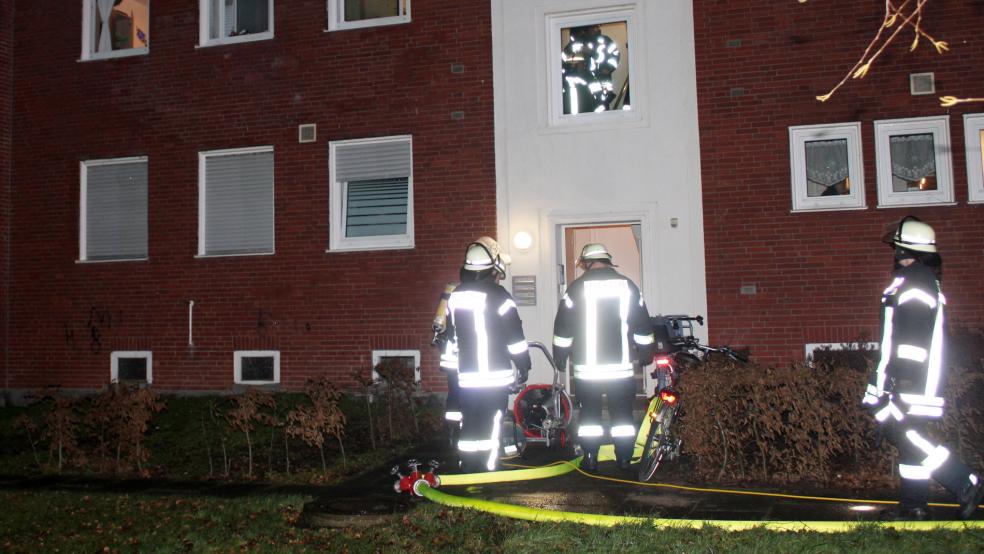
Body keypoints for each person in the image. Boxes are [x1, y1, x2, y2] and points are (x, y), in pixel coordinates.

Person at [863, 216, 984, 520]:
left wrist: (899, 380)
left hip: (912, 379)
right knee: (907, 442)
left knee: (906, 434)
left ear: (904, 249)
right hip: (910, 377)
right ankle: (913, 506)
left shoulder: (916, 282)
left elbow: (912, 339)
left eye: (896, 247)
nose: (894, 253)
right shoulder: (918, 279)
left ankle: (964, 481)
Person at [553, 243, 655, 472]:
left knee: (589, 416)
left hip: (588, 372)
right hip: (620, 371)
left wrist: (560, 357)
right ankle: (625, 459)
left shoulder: (576, 289)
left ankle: (590, 458)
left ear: (587, 263)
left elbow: (563, 329)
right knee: (622, 417)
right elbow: (642, 325)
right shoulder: (628, 286)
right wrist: (647, 353)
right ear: (608, 260)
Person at [445, 237, 531, 472]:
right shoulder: (500, 296)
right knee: (492, 422)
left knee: (471, 422)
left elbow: (451, 334)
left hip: (468, 376)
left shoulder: (456, 296)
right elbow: (515, 337)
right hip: (495, 376)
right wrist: (524, 364)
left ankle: (468, 466)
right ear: (491, 267)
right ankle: (487, 468)